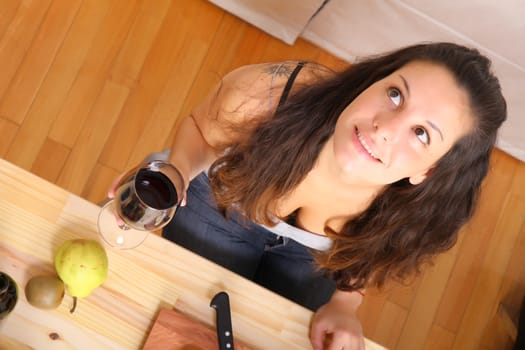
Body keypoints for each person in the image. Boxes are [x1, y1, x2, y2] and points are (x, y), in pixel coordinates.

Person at [113, 42, 507, 349]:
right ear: (373, 80)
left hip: (314, 260)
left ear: (428, 171)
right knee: (186, 312)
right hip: (223, 200)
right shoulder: (270, 95)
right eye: (394, 95)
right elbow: (201, 131)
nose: (384, 128)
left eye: (421, 134)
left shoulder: (415, 212)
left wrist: (343, 305)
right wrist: (176, 169)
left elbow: (370, 256)